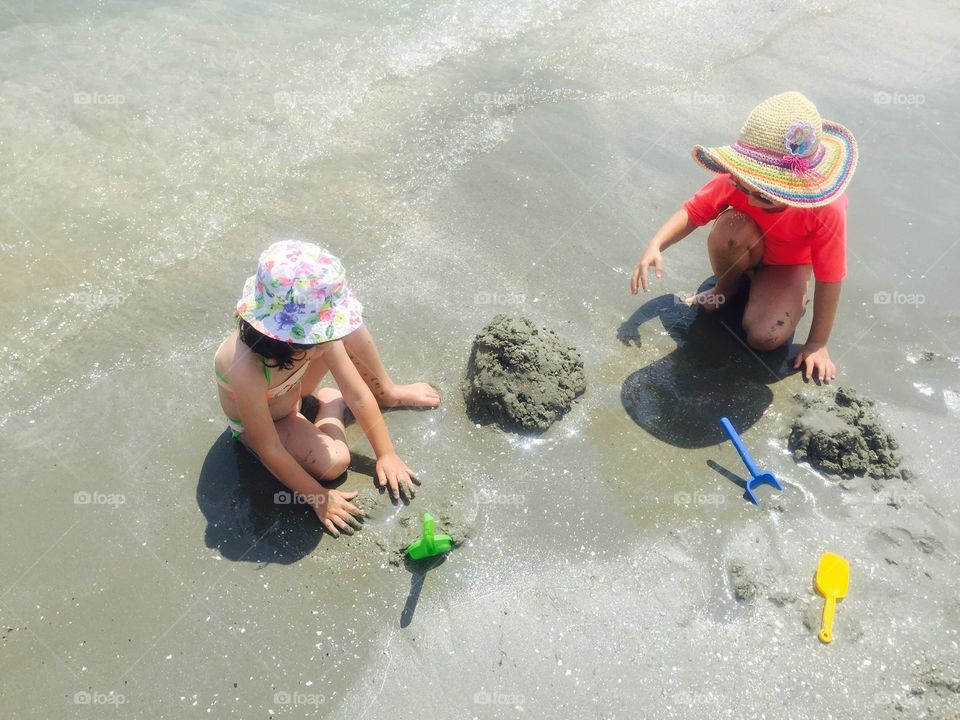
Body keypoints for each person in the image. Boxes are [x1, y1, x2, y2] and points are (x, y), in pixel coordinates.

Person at [214, 240, 440, 536]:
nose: (329, 339)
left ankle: (387, 390)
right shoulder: (246, 368)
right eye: (321, 333)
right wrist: (318, 497)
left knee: (353, 331)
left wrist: (386, 454)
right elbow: (266, 445)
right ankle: (330, 408)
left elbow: (358, 394)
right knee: (335, 463)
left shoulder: (305, 342)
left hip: (291, 387)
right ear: (291, 338)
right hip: (268, 421)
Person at [630, 91, 858, 382]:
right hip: (742, 246)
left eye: (762, 194)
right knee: (732, 225)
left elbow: (830, 276)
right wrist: (656, 244)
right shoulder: (737, 179)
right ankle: (727, 288)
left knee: (765, 337)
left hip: (787, 266)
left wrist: (817, 343)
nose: (749, 200)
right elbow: (693, 212)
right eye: (743, 186)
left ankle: (778, 294)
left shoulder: (826, 208)